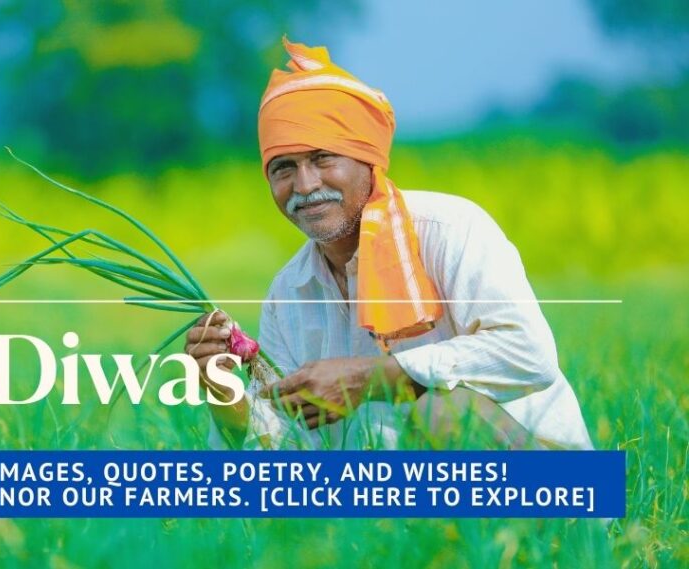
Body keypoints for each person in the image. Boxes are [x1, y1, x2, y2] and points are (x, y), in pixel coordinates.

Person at [185, 38, 593, 451]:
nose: (305, 185)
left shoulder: (450, 229)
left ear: (368, 160)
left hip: (548, 487)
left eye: (323, 158)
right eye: (283, 168)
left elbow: (528, 355)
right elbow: (286, 446)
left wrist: (372, 378)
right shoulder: (288, 294)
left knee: (443, 412)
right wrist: (224, 392)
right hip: (401, 503)